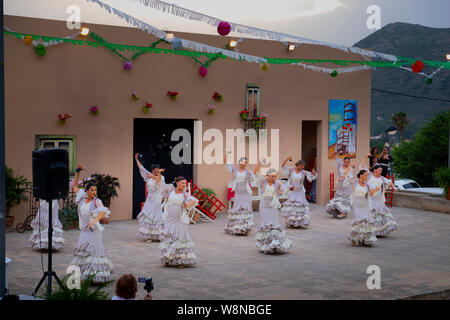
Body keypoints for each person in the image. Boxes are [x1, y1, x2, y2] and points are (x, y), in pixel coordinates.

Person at [70, 164, 113, 283]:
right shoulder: (82, 198)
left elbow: (102, 212)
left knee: (93, 253)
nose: (94, 192)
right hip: (84, 231)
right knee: (83, 252)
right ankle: (84, 274)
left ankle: (95, 277)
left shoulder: (97, 201)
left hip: (94, 231)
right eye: (92, 190)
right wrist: (77, 172)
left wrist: (93, 222)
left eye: (95, 190)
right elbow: (74, 186)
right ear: (87, 191)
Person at [159, 176, 198, 268]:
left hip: (180, 220)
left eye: (185, 183)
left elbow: (193, 201)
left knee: (180, 238)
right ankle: (167, 258)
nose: (184, 185)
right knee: (169, 237)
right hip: (169, 218)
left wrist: (187, 204)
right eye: (182, 183)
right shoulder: (171, 191)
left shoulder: (185, 195)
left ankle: (181, 261)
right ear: (177, 183)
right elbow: (161, 189)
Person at [254, 164, 292, 254]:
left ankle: (274, 244)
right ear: (267, 175)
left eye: (275, 176)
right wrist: (259, 164)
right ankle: (266, 244)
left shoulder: (277, 183)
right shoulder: (262, 182)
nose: (273, 178)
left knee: (274, 224)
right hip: (264, 206)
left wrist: (282, 190)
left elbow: (283, 188)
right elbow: (255, 173)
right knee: (266, 225)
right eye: (272, 176)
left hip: (273, 206)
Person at [134, 153, 166, 243]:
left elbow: (159, 182)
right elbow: (141, 168)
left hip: (157, 200)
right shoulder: (147, 176)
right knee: (148, 218)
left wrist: (154, 176)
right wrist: (136, 159)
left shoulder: (161, 177)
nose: (156, 173)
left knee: (157, 218)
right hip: (150, 200)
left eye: (158, 171)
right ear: (152, 170)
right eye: (155, 171)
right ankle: (148, 236)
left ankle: (159, 235)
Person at [347, 157, 378, 247]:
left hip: (365, 205)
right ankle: (354, 238)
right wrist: (351, 167)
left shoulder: (367, 185)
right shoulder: (354, 183)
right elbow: (348, 176)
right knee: (358, 221)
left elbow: (369, 195)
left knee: (366, 222)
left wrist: (375, 190)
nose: (367, 177)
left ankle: (365, 239)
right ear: (361, 175)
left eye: (367, 176)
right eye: (365, 176)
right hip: (357, 205)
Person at [280, 157, 317, 228]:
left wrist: (314, 173)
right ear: (298, 165)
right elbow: (282, 166)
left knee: (300, 206)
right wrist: (287, 159)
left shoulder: (303, 172)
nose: (302, 167)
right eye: (301, 166)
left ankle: (299, 222)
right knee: (292, 206)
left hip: (300, 191)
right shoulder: (291, 170)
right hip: (292, 190)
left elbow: (311, 177)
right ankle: (291, 222)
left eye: (303, 166)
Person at [224, 156, 255, 235]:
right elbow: (225, 161)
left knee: (245, 209)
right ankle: (236, 227)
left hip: (246, 193)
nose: (245, 164)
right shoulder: (234, 170)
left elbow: (254, 174)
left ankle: (245, 229)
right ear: (240, 162)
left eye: (246, 163)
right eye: (244, 162)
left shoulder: (248, 171)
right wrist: (227, 153)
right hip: (238, 193)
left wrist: (260, 163)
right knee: (237, 209)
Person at [368, 164, 398, 236]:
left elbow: (390, 182)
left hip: (379, 198)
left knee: (380, 214)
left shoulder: (381, 178)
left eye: (381, 171)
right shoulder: (369, 176)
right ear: (375, 170)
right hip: (371, 198)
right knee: (372, 213)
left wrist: (394, 187)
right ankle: (370, 230)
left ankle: (379, 231)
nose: (380, 172)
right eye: (379, 170)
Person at [326, 151, 354, 219]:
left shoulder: (350, 168)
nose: (346, 163)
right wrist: (339, 153)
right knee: (338, 198)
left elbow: (349, 176)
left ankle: (344, 213)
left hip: (346, 185)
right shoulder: (340, 166)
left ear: (349, 162)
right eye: (345, 162)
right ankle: (339, 211)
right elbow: (336, 158)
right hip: (340, 185)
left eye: (348, 162)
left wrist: (342, 178)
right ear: (343, 161)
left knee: (344, 200)